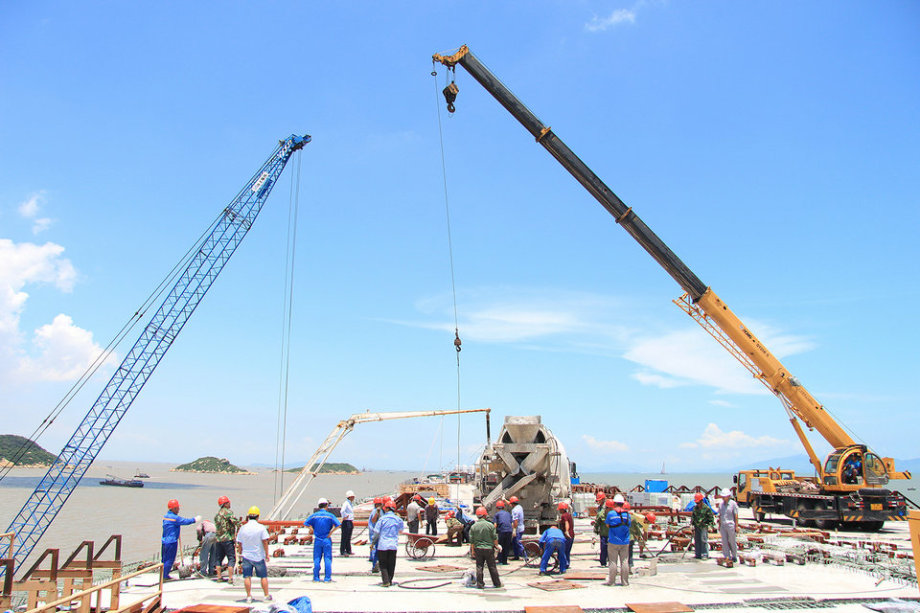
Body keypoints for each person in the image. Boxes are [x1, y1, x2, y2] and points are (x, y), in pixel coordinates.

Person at [236, 506, 271, 604]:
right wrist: (267, 554)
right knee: (263, 576)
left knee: (247, 577)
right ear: (258, 516)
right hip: (258, 556)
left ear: (248, 516)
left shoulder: (243, 528)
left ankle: (248, 597)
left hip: (246, 556)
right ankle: (266, 596)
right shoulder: (261, 528)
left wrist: (240, 552)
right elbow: (265, 542)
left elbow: (239, 542)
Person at [161, 499, 199, 580]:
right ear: (174, 508)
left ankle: (163, 574)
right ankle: (164, 577)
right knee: (170, 560)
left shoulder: (166, 516)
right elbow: (185, 521)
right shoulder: (175, 518)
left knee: (164, 560)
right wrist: (195, 519)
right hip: (172, 542)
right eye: (178, 508)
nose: (179, 509)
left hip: (164, 541)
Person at [303, 498, 341, 582]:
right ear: (326, 505)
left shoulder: (314, 515)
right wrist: (331, 532)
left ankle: (316, 577)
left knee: (317, 559)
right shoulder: (330, 515)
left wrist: (312, 530)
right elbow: (338, 524)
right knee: (327, 559)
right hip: (326, 539)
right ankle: (327, 578)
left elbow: (306, 523)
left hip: (318, 539)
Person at [371, 500, 404, 587]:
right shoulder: (398, 519)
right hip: (393, 545)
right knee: (391, 564)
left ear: (387, 509)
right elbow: (401, 531)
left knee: (383, 564)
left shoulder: (382, 519)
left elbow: (376, 532)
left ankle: (385, 581)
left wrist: (373, 542)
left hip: (383, 545)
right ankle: (390, 580)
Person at [469, 506, 502, 588]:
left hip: (478, 549)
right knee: (492, 566)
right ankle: (497, 583)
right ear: (485, 515)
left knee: (479, 567)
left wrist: (472, 551)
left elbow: (472, 541)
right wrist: (497, 546)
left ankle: (480, 584)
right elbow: (494, 538)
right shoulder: (490, 525)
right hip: (489, 549)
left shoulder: (473, 526)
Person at [604, 494, 630, 587]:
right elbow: (629, 525)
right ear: (623, 504)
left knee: (613, 562)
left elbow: (607, 525)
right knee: (624, 561)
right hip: (625, 542)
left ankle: (612, 582)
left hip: (613, 541)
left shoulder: (611, 514)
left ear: (614, 503)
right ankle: (625, 582)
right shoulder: (627, 515)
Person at [214, 495, 240, 584]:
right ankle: (230, 578)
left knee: (218, 559)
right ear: (225, 504)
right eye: (228, 502)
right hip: (228, 539)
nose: (230, 504)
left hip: (218, 540)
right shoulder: (228, 513)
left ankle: (219, 577)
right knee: (231, 558)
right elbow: (236, 522)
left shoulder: (217, 515)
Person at [718, 488, 739, 563]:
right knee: (724, 541)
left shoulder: (733, 504)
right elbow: (720, 515)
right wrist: (719, 525)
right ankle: (727, 556)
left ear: (728, 496)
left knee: (732, 541)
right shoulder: (721, 505)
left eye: (725, 496)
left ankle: (734, 555)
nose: (723, 498)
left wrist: (736, 526)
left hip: (730, 525)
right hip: (723, 525)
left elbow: (736, 515)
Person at [691, 493, 715, 560]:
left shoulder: (707, 508)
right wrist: (692, 525)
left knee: (703, 540)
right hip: (697, 526)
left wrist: (710, 526)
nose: (697, 504)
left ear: (701, 501)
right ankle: (698, 554)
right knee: (697, 540)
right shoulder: (695, 508)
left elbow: (711, 518)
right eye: (696, 503)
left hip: (704, 526)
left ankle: (704, 554)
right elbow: (693, 517)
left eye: (698, 502)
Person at [493, 500, 513, 565]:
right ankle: (505, 561)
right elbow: (512, 524)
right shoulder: (508, 514)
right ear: (503, 507)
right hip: (509, 531)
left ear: (497, 508)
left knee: (500, 546)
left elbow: (495, 525)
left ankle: (500, 560)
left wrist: (492, 533)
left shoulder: (497, 514)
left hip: (502, 531)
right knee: (507, 546)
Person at [368, 497, 383, 573]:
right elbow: (373, 520)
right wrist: (377, 513)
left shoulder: (380, 511)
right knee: (375, 548)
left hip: (375, 532)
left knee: (374, 547)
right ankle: (375, 564)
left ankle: (373, 560)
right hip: (375, 532)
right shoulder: (376, 511)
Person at [557, 502, 574, 571]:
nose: (559, 511)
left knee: (563, 550)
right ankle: (567, 563)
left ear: (562, 509)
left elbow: (566, 523)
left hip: (567, 536)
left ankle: (564, 564)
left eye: (559, 509)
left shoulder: (564, 516)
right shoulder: (568, 515)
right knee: (567, 551)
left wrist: (566, 531)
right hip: (571, 535)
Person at [593, 491, 609, 567]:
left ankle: (607, 560)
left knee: (608, 547)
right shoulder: (600, 508)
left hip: (608, 531)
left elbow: (600, 517)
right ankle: (603, 562)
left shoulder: (606, 507)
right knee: (603, 547)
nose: (598, 501)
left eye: (599, 500)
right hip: (603, 531)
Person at [509, 496, 527, 561]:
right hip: (521, 528)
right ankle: (516, 556)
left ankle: (525, 556)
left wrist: (514, 530)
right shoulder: (519, 507)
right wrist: (504, 500)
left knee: (518, 543)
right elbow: (511, 504)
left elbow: (515, 521)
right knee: (514, 543)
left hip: (517, 529)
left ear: (512, 504)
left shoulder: (514, 510)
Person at [340, 491, 355, 556]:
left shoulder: (350, 503)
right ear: (349, 497)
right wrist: (345, 516)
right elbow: (342, 511)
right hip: (346, 522)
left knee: (348, 537)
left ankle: (348, 550)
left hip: (350, 521)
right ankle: (342, 551)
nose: (353, 498)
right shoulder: (346, 503)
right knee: (344, 537)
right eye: (352, 496)